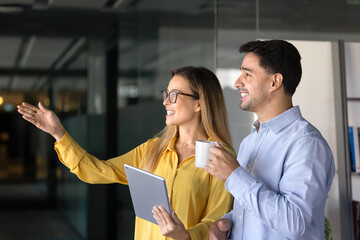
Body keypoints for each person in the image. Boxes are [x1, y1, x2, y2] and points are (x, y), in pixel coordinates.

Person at [17, 66, 234, 240]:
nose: (165, 101)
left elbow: (217, 221)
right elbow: (96, 171)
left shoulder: (219, 156)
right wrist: (59, 133)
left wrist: (185, 236)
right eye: (166, 94)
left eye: (175, 94)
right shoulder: (152, 149)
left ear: (199, 104)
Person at [205, 40, 335, 240]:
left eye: (247, 74)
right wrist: (228, 224)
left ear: (275, 82)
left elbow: (294, 222)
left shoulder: (307, 144)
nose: (237, 83)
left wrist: (233, 174)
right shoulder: (250, 142)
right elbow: (260, 213)